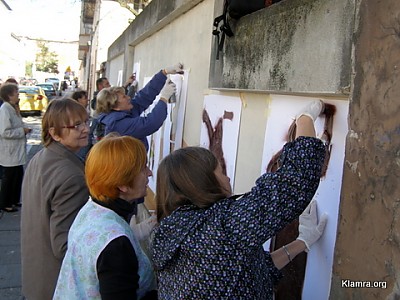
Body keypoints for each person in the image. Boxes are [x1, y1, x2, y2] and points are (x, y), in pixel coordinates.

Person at [151, 100, 328, 299]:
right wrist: (304, 120)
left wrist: (302, 242)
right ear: (205, 181)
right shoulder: (219, 227)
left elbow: (248, 273)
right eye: (219, 171)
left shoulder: (174, 228)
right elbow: (293, 183)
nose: (227, 177)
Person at [53, 135, 157, 300]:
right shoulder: (116, 245)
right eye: (144, 168)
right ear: (122, 184)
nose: (150, 173)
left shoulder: (92, 208)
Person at [21, 98, 90, 300]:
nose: (85, 129)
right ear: (54, 133)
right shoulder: (72, 176)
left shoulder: (40, 158)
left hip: (35, 277)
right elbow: (64, 246)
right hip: (56, 284)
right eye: (76, 125)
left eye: (86, 121)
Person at [96, 63, 183, 152]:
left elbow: (144, 97)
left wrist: (164, 73)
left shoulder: (123, 111)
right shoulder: (118, 124)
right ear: (115, 106)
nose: (128, 97)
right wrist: (164, 98)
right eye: (124, 97)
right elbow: (150, 123)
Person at [0, 83, 31, 213]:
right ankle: (5, 203)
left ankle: (13, 200)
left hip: (16, 150)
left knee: (18, 176)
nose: (18, 95)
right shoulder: (5, 109)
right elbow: (5, 132)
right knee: (9, 178)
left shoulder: (13, 108)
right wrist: (21, 131)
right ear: (9, 95)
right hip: (10, 151)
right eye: (16, 93)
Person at [71, 90, 92, 161]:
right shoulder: (75, 113)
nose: (88, 100)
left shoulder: (86, 111)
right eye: (85, 98)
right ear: (79, 100)